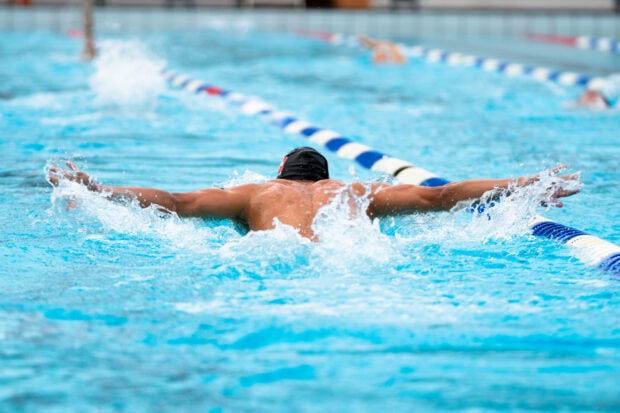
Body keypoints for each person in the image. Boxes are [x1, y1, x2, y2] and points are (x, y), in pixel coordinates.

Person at [48, 147, 580, 241]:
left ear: (280, 172)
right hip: (352, 268)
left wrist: (98, 189)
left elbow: (175, 202)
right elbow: (444, 196)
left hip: (266, 264)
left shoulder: (251, 194)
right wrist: (525, 185)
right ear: (323, 178)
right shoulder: (357, 192)